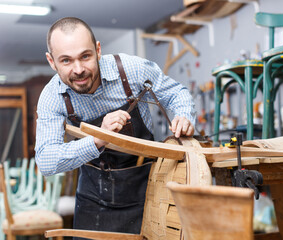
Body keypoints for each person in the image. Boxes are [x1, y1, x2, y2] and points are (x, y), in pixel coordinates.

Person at [35, 17, 196, 235]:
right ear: (51, 61)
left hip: (148, 194)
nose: (79, 69)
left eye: (85, 56)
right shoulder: (53, 96)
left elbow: (176, 93)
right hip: (93, 201)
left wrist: (184, 116)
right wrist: (98, 139)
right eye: (66, 61)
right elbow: (46, 160)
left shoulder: (132, 70)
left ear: (98, 50)